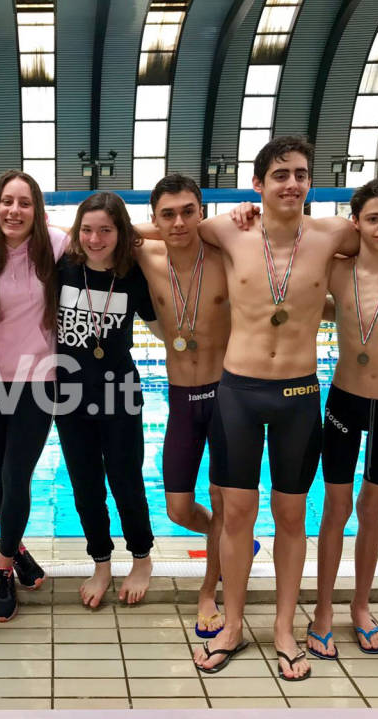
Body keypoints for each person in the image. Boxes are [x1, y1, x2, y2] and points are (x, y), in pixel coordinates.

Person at [191, 136, 361, 681]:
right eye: (280, 174)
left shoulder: (335, 233)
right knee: (235, 513)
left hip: (298, 396)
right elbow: (165, 231)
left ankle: (285, 627)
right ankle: (235, 623)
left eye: (301, 174)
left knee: (291, 515)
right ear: (258, 183)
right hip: (238, 392)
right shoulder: (226, 229)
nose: (292, 183)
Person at [307, 179, 378, 660]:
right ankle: (323, 611)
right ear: (356, 221)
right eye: (373, 218)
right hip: (344, 401)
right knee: (336, 509)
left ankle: (360, 607)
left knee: (371, 510)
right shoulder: (336, 271)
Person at [131, 174, 246, 637]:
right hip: (181, 398)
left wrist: (234, 217)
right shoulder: (146, 254)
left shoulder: (224, 254)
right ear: (155, 218)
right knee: (179, 508)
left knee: (223, 499)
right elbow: (99, 226)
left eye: (188, 212)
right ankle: (233, 544)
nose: (179, 222)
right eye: (168, 214)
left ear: (202, 211)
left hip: (227, 394)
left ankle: (208, 589)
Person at [55, 191, 160, 608]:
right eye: (87, 230)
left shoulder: (135, 274)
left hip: (119, 391)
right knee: (84, 484)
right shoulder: (62, 267)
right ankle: (101, 562)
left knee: (126, 479)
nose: (95, 239)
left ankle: (141, 558)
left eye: (106, 230)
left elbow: (159, 327)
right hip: (69, 394)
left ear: (121, 233)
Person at [0, 171, 69, 621]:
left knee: (17, 472)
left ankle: (1, 568)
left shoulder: (55, 245)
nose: (14, 210)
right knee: (0, 473)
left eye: (24, 202)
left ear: (37, 209)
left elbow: (113, 234)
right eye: (6, 202)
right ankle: (19, 550)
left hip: (39, 379)